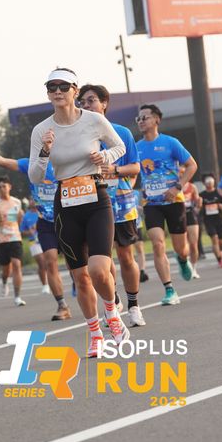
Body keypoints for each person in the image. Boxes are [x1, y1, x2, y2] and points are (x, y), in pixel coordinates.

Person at [29, 68, 130, 357]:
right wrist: (45, 151)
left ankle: (112, 314)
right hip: (66, 204)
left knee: (98, 270)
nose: (57, 92)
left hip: (96, 197)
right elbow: (35, 176)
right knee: (81, 277)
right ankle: (95, 334)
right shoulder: (41, 130)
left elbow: (120, 146)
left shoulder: (94, 120)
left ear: (75, 90)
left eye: (63, 87)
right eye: (51, 87)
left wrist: (105, 156)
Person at [0, 133, 71, 320]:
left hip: (68, 219)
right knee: (50, 262)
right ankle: (62, 305)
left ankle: (90, 292)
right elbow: (3, 161)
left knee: (75, 266)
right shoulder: (30, 164)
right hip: (45, 222)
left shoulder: (65, 162)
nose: (45, 146)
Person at [77, 84, 145, 327]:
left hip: (121, 202)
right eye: (82, 102)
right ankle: (113, 302)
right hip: (91, 202)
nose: (86, 105)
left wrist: (114, 169)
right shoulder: (77, 136)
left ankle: (134, 306)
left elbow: (135, 167)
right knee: (102, 259)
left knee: (125, 256)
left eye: (91, 100)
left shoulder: (121, 132)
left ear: (104, 103)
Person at [136, 104, 198, 305]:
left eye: (145, 117)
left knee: (181, 248)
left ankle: (182, 259)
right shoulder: (136, 147)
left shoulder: (171, 143)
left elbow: (192, 165)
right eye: (138, 118)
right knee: (157, 243)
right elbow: (131, 172)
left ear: (156, 120)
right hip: (151, 203)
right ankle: (169, 289)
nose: (141, 121)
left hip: (173, 201)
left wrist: (177, 187)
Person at [0, 176, 26, 306]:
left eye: (4, 186)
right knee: (6, 269)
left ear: (9, 187)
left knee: (16, 264)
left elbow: (19, 219)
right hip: (0, 241)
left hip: (15, 238)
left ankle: (17, 297)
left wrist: (20, 220)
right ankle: (4, 281)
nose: (2, 189)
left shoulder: (17, 202)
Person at [20, 198, 52, 295]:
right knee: (41, 263)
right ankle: (45, 285)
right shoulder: (26, 216)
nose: (32, 201)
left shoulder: (44, 212)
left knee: (49, 262)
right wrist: (28, 232)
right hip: (34, 241)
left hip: (46, 239)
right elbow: (22, 230)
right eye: (31, 200)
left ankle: (52, 281)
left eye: (34, 200)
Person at [199, 173, 222, 267]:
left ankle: (221, 252)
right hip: (208, 220)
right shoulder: (202, 195)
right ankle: (219, 260)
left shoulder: (218, 193)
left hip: (219, 219)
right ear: (204, 183)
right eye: (207, 181)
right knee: (214, 238)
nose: (209, 183)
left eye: (211, 181)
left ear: (214, 182)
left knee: (221, 241)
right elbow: (198, 206)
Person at [182, 178, 202, 279]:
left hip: (190, 215)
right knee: (183, 245)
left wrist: (199, 203)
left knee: (194, 244)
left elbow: (197, 202)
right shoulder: (172, 186)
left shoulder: (192, 187)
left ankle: (194, 269)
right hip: (178, 215)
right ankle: (185, 264)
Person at [133, 189, 149, 282]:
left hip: (137, 224)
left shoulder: (137, 193)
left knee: (139, 247)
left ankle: (142, 271)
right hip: (124, 224)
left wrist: (140, 209)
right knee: (128, 250)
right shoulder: (117, 191)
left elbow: (144, 207)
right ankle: (133, 271)